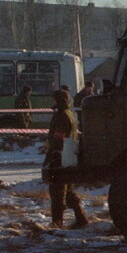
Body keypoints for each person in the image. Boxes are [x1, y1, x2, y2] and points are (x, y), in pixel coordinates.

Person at [44, 88, 89, 229]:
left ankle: (57, 222)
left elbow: (59, 138)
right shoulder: (70, 113)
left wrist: (50, 154)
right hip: (67, 155)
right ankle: (81, 218)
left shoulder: (62, 116)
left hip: (59, 156)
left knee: (57, 191)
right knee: (68, 190)